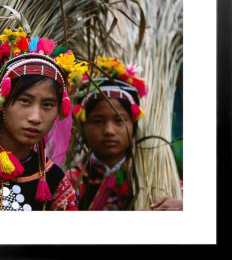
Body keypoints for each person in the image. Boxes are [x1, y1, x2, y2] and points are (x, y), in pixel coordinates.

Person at [0, 28, 84, 211]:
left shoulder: (55, 181)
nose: (36, 118)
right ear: (2, 100)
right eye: (24, 101)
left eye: (47, 105)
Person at [67, 56, 183, 211]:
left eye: (119, 120)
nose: (109, 130)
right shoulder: (69, 182)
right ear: (83, 125)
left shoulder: (157, 178)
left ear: (133, 124)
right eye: (98, 121)